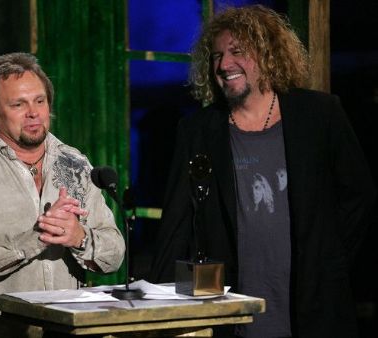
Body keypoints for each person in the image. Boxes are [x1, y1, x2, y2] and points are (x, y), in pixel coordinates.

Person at [150, 5, 376, 338]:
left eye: (237, 52)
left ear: (268, 53)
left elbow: (360, 195)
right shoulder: (198, 130)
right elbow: (176, 223)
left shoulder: (319, 114)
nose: (224, 65)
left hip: (313, 310)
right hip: (229, 315)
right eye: (216, 56)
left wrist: (328, 259)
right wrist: (155, 313)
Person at [0, 52, 125, 337]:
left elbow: (114, 253)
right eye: (18, 104)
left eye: (39, 101)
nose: (33, 113)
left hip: (65, 330)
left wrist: (79, 237)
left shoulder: (75, 164)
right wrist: (36, 237)